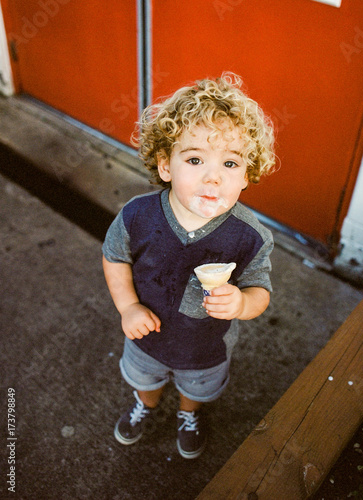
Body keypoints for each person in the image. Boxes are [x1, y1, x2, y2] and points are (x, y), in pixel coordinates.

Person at [102, 72, 275, 459]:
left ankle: (188, 414)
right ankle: (146, 404)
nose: (213, 175)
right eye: (195, 159)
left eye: (230, 163)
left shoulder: (250, 236)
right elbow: (115, 258)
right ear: (165, 165)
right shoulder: (137, 216)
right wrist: (128, 306)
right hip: (146, 336)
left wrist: (243, 304)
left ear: (246, 175)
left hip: (205, 347)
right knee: (145, 380)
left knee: (196, 388)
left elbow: (260, 289)